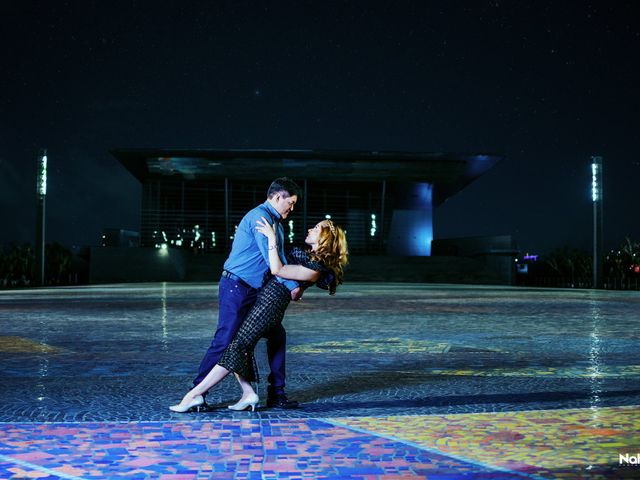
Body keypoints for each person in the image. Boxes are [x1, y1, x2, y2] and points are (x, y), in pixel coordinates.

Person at [169, 218, 348, 412]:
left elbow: (277, 269)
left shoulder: (315, 270)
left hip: (268, 309)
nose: (310, 229)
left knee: (237, 347)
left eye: (316, 228)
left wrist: (271, 238)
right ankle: (248, 393)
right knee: (239, 346)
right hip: (263, 302)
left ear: (325, 238)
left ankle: (194, 395)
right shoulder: (307, 257)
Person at [192, 177, 303, 410]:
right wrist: (293, 286)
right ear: (276, 197)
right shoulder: (261, 219)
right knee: (225, 339)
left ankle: (277, 394)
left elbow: (279, 258)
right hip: (237, 288)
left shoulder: (276, 222)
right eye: (290, 203)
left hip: (255, 291)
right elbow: (272, 261)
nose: (292, 208)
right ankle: (198, 392)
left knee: (276, 335)